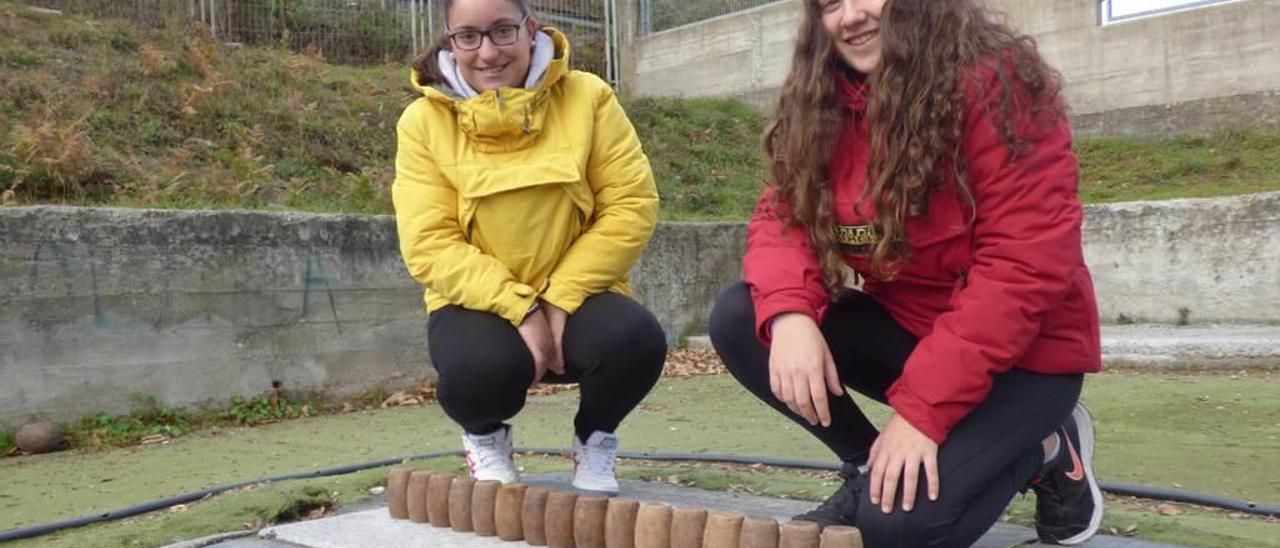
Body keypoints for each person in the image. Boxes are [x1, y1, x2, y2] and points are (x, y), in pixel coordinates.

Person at [708, 0, 1104, 545]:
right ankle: (867, 465)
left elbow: (1023, 267)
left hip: (1027, 358)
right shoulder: (821, 98)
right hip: (914, 332)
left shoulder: (999, 81)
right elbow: (781, 218)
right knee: (742, 315)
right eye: (829, 5)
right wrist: (791, 316)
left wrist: (922, 415)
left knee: (896, 529)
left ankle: (1049, 450)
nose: (849, 17)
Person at [392, 0, 666, 495]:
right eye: (469, 37)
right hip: (476, 303)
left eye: (502, 31)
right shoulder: (421, 122)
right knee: (478, 372)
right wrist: (520, 308)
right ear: (450, 40)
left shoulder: (589, 97)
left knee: (636, 340)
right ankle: (485, 437)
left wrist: (560, 298)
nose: (488, 52)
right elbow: (429, 241)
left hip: (580, 297)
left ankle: (594, 438)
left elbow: (631, 205)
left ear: (530, 29)